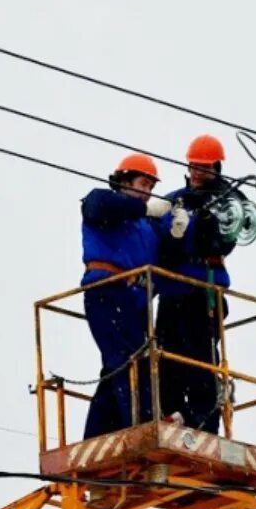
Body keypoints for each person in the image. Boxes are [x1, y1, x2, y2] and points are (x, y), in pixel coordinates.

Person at [80, 153, 187, 438]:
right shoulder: (103, 202)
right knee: (130, 358)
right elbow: (98, 207)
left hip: (133, 299)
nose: (147, 193)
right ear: (124, 181)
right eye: (143, 184)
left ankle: (96, 432)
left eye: (151, 188)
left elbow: (165, 260)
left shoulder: (145, 228)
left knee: (119, 364)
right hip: (106, 290)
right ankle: (144, 422)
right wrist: (145, 209)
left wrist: (176, 235)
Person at [155, 135, 243, 434]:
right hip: (172, 289)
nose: (196, 173)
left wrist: (202, 221)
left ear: (216, 168)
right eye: (193, 167)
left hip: (202, 288)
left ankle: (203, 421)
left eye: (203, 168)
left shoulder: (229, 202)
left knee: (201, 359)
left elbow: (226, 240)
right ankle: (170, 413)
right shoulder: (176, 199)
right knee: (164, 354)